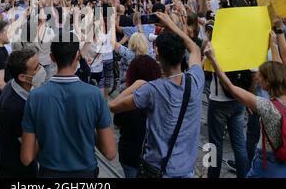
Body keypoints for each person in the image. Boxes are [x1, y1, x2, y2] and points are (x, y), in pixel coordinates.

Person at [110, 11, 204, 178]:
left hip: (156, 170)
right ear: (182, 55)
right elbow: (195, 48)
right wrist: (172, 25)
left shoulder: (152, 89)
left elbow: (114, 106)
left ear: (158, 56)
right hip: (187, 170)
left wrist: (136, 85)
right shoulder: (195, 80)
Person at [21, 33, 117, 178]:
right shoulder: (94, 95)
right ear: (78, 56)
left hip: (49, 172)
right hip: (86, 174)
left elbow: (26, 157)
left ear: (52, 57)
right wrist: (87, 131)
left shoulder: (35, 97)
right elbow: (110, 152)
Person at [206, 46, 286, 178]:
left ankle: (212, 175)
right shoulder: (274, 98)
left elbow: (231, 87)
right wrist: (274, 41)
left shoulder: (267, 107)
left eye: (261, 76)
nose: (257, 78)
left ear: (268, 81)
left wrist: (213, 60)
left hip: (266, 165)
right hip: (282, 166)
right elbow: (278, 70)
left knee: (214, 145)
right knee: (240, 144)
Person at [0, 49, 44, 178]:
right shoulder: (17, 108)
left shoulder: (12, 85)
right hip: (19, 171)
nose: (41, 69)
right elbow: (28, 154)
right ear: (22, 77)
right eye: (36, 68)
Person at [114, 55, 162, 178]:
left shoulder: (125, 95)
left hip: (129, 154)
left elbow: (117, 121)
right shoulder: (160, 95)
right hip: (153, 156)